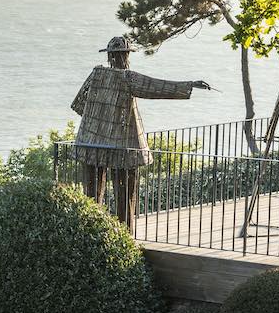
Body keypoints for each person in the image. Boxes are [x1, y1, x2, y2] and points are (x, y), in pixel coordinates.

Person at [71, 36, 211, 230]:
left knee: (92, 196)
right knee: (124, 195)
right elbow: (156, 87)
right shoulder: (128, 78)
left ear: (109, 56)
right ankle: (124, 234)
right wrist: (190, 84)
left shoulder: (96, 75)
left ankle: (90, 231)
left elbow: (79, 104)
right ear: (126, 56)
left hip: (89, 142)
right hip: (122, 147)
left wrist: (100, 120)